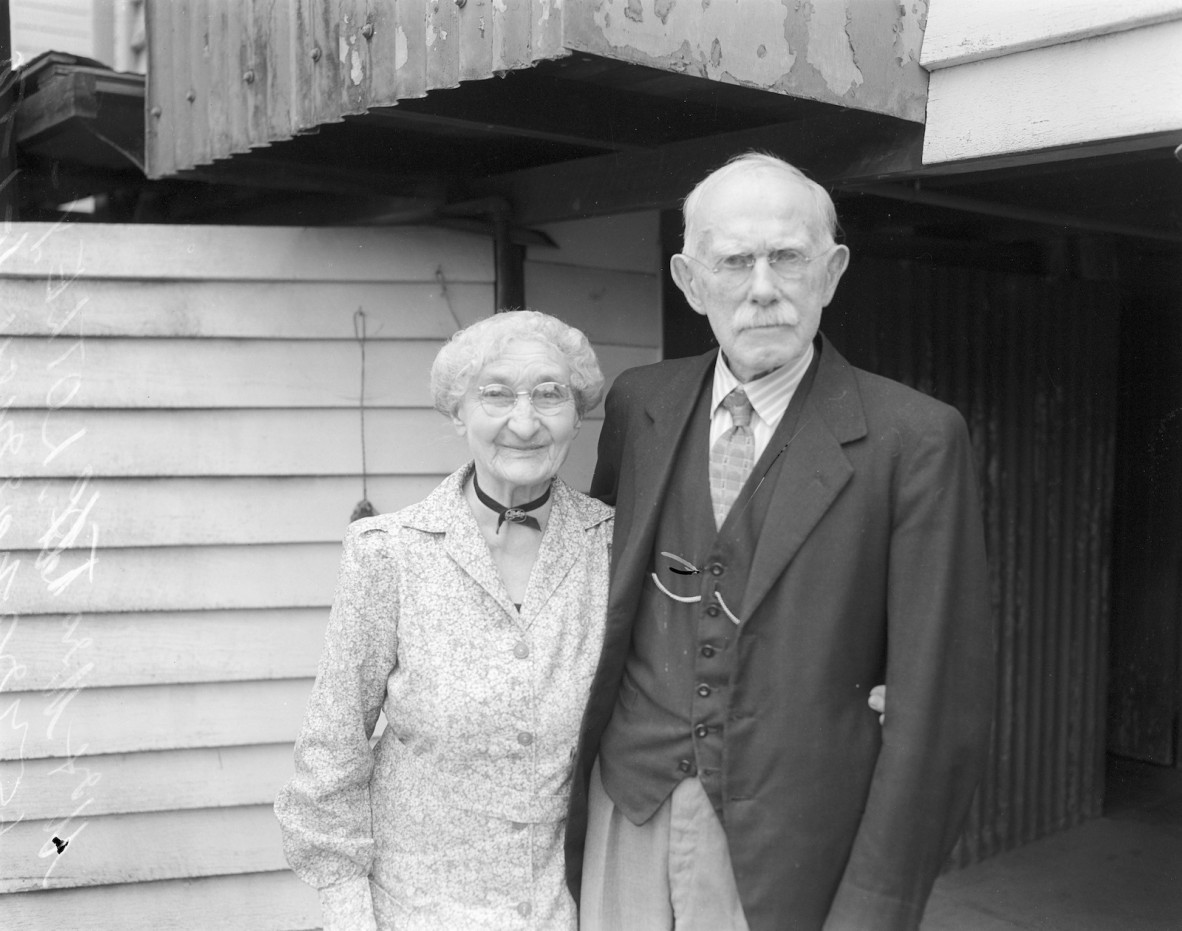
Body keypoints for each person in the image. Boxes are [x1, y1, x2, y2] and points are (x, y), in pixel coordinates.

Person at [566, 152, 995, 931]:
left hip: (790, 841)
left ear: (830, 273)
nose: (763, 288)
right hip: (624, 802)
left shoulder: (917, 439)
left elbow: (941, 709)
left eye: (788, 257)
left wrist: (875, 908)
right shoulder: (639, 406)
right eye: (734, 261)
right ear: (691, 282)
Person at [275, 310, 612, 930]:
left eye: (549, 394)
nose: (524, 421)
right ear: (457, 412)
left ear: (578, 412)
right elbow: (332, 750)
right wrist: (349, 915)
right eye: (496, 394)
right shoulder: (388, 553)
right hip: (416, 911)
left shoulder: (613, 546)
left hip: (569, 912)